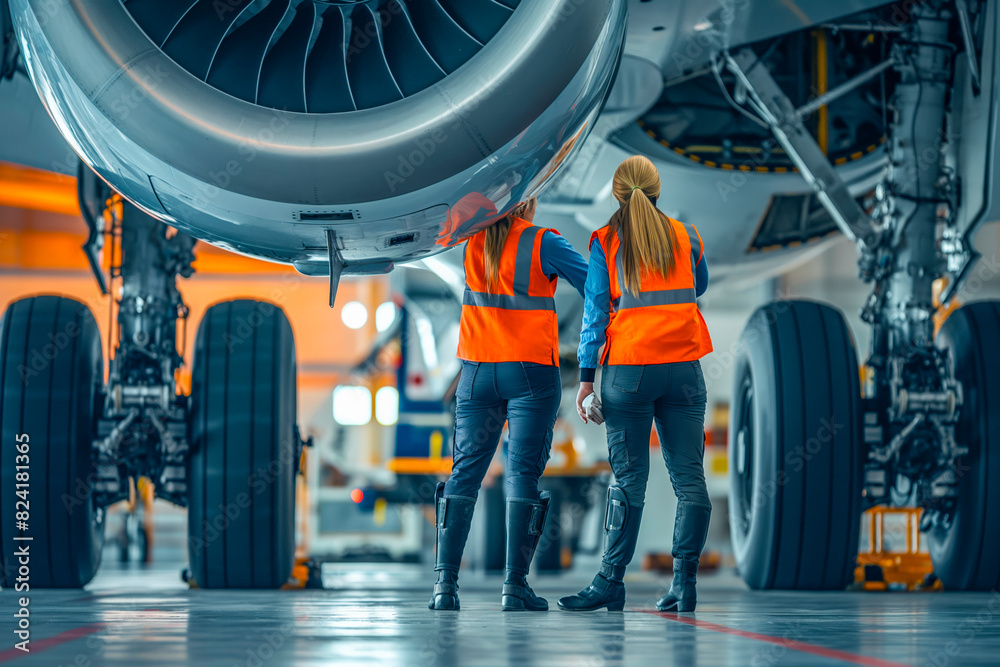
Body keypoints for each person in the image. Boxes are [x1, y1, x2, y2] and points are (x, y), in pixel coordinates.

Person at [558, 155, 713, 613]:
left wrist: (586, 383)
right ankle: (684, 584)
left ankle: (610, 582)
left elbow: (594, 317)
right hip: (684, 369)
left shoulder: (605, 241)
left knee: (629, 481)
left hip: (630, 370)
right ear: (658, 191)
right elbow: (697, 287)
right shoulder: (688, 237)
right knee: (691, 481)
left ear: (617, 195)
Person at [429, 198, 588, 612]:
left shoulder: (470, 243)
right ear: (530, 202)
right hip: (530, 372)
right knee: (522, 475)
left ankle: (445, 587)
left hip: (477, 373)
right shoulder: (543, 242)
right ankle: (514, 587)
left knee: (464, 473)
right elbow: (596, 286)